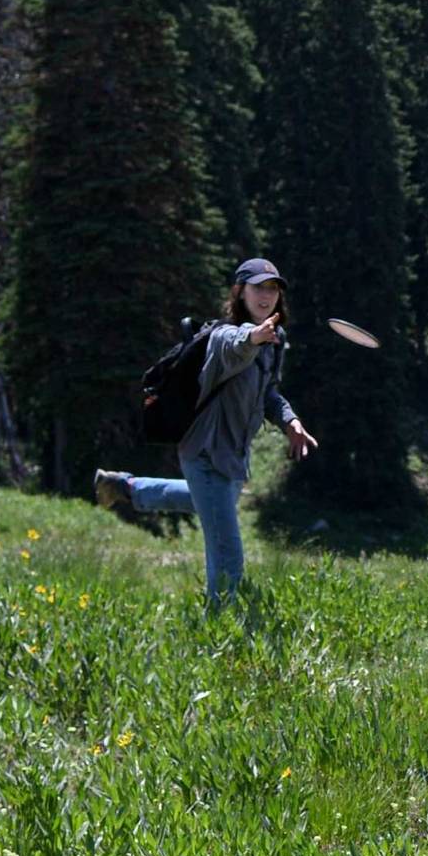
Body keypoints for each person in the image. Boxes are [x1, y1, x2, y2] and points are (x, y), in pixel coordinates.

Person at [93, 258, 320, 606]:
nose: (266, 295)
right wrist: (254, 336)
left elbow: (268, 393)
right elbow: (236, 346)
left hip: (233, 456)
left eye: (272, 288)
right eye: (258, 287)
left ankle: (126, 487)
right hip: (205, 452)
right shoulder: (223, 335)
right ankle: (221, 625)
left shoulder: (277, 339)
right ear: (240, 291)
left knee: (206, 503)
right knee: (227, 553)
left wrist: (291, 421)